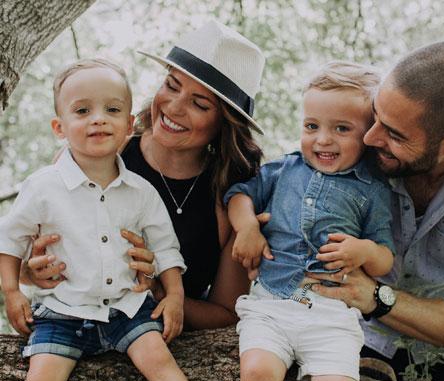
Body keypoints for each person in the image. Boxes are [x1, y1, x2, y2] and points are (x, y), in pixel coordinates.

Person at [0, 59, 226, 381]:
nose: (98, 119)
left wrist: (175, 297)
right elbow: (9, 241)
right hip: (64, 310)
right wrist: (13, 291)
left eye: (111, 109)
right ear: (60, 126)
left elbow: (166, 249)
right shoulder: (43, 187)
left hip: (127, 307)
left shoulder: (140, 191)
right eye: (82, 111)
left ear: (129, 124)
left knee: (161, 363)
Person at [225, 62, 394, 381]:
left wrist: (363, 251)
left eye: (342, 129)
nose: (323, 139)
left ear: (369, 135)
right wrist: (246, 228)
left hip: (330, 312)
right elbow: (240, 193)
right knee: (257, 373)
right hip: (273, 301)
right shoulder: (284, 168)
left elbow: (383, 256)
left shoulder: (373, 191)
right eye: (312, 126)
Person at [21, 20, 266, 331]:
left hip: (160, 347)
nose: (174, 107)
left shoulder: (234, 201)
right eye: (172, 85)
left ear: (225, 123)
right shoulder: (96, 153)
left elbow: (226, 315)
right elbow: (27, 258)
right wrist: (31, 273)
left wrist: (154, 292)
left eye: (199, 103)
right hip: (72, 333)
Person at [309, 42, 444, 381]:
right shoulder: (363, 126)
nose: (370, 137)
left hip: (438, 353)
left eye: (394, 135)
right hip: (342, 326)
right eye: (376, 115)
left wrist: (376, 297)